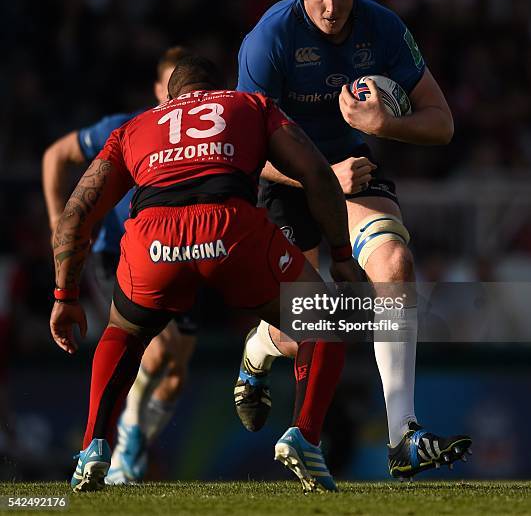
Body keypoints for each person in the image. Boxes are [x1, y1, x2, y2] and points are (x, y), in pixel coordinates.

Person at [49, 55, 360, 493]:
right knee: (319, 319)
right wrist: (341, 252)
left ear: (172, 95)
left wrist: (65, 297)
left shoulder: (133, 128)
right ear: (218, 87)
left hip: (154, 242)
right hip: (229, 228)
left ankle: (93, 447)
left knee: (123, 332)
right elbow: (315, 172)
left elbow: (76, 214)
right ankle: (305, 437)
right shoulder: (247, 104)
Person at [235, 0, 472, 478]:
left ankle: (402, 437)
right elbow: (244, 152)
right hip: (287, 181)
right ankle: (260, 346)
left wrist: (383, 125)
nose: (331, 8)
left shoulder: (383, 27)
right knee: (307, 323)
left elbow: (443, 123)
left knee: (395, 265)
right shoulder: (269, 38)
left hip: (353, 173)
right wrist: (318, 173)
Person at [42, 46, 197, 484]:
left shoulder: (208, 138)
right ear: (156, 90)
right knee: (159, 350)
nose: (179, 100)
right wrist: (60, 223)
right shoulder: (125, 128)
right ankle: (118, 444)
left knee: (174, 377)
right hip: (120, 255)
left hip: (182, 255)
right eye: (171, 89)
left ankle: (131, 447)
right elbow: (55, 156)